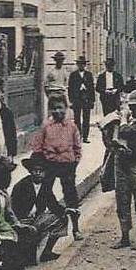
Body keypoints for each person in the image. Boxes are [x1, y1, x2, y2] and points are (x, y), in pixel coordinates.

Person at [104, 89, 136, 251]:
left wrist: (123, 119)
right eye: (133, 106)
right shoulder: (130, 120)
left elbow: (125, 132)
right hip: (122, 164)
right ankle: (125, 236)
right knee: (122, 202)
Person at [31, 93, 83, 241]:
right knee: (44, 193)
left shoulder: (72, 126)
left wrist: (74, 162)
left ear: (66, 108)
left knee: (71, 195)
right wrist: (41, 163)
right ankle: (42, 224)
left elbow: (77, 146)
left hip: (67, 165)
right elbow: (37, 146)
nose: (57, 111)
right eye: (53, 108)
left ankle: (76, 229)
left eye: (60, 108)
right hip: (50, 165)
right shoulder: (46, 126)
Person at [0, 158, 39, 270]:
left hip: (3, 227)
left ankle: (19, 269)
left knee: (29, 231)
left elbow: (9, 213)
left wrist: (18, 225)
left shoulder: (3, 193)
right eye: (6, 175)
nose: (9, 179)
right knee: (12, 239)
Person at [11, 153, 68, 263]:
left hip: (37, 218)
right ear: (30, 171)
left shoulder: (45, 185)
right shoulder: (21, 186)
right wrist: (19, 222)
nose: (38, 173)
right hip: (22, 220)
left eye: (41, 171)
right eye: (35, 170)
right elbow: (13, 208)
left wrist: (65, 211)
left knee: (61, 218)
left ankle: (46, 251)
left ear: (45, 172)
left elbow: (53, 204)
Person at [67, 55, 96, 144]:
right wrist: (71, 100)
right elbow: (70, 88)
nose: (81, 65)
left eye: (83, 64)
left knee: (86, 119)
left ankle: (85, 137)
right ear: (77, 65)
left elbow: (92, 88)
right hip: (77, 99)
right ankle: (78, 136)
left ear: (85, 65)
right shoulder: (73, 75)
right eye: (79, 64)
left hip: (86, 99)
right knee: (77, 119)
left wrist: (92, 101)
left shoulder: (89, 75)